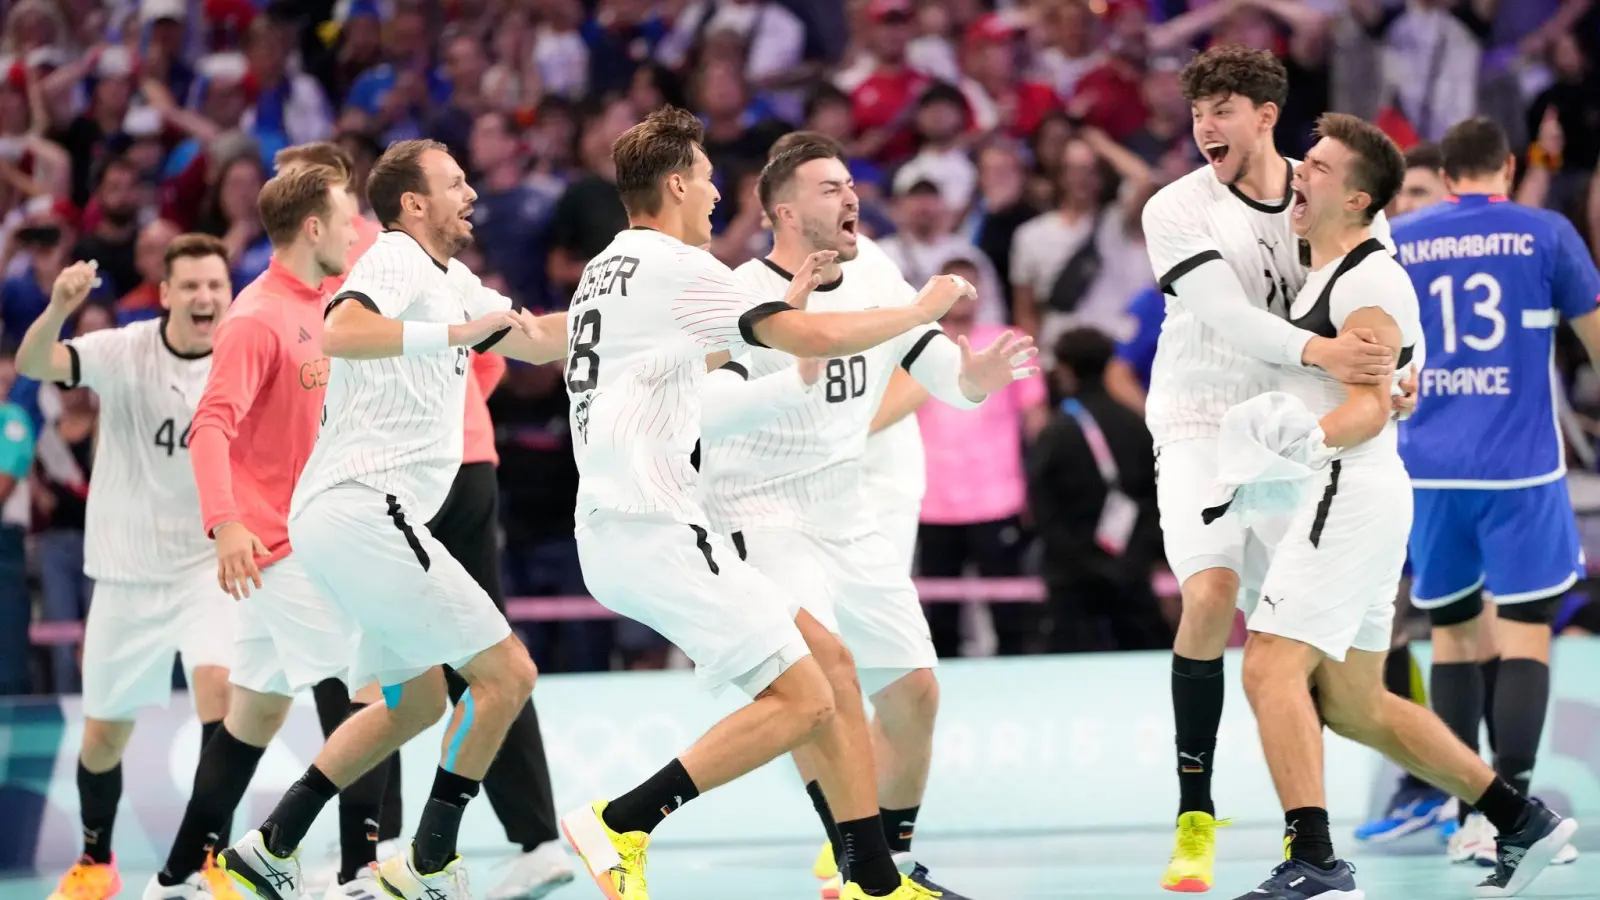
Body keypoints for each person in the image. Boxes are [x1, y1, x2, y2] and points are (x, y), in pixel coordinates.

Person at [555, 106, 972, 900]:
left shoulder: (606, 268)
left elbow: (713, 379)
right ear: (676, 183)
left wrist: (794, 377)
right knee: (806, 695)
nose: (718, 197)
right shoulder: (685, 270)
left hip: (620, 525)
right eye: (709, 179)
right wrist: (921, 312)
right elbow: (806, 339)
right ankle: (620, 822)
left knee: (829, 673)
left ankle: (873, 881)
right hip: (660, 525)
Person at [1220, 112, 1576, 900]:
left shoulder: (1370, 278)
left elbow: (1373, 407)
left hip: (1345, 493)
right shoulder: (1332, 269)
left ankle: (1312, 857)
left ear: (1358, 199)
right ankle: (1521, 820)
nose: (1298, 173)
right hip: (1364, 497)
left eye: (1315, 165)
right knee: (1358, 705)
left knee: (1270, 668)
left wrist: (1295, 443)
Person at [214, 139, 569, 900]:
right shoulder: (398, 258)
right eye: (456, 182)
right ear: (414, 203)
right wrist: (454, 336)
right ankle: (431, 864)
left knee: (418, 702)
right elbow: (342, 330)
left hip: (345, 516)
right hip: (364, 508)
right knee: (507, 674)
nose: (472, 191)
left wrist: (626, 315)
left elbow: (537, 340)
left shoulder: (455, 278)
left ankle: (270, 848)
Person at [698, 131, 1033, 900]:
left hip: (844, 501)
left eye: (850, 184)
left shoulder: (875, 265)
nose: (849, 197)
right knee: (822, 683)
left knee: (915, 690)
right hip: (758, 507)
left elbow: (924, 356)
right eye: (827, 187)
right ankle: (865, 872)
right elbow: (714, 406)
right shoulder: (739, 291)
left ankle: (890, 858)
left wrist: (972, 377)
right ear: (782, 209)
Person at [1138, 46, 1413, 892]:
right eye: (1197, 113)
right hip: (1197, 421)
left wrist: (1400, 374)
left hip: (1297, 428)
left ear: (1266, 116)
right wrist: (1331, 349)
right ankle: (1195, 813)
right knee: (1212, 598)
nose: (1204, 127)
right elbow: (1224, 314)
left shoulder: (1328, 187)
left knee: (1319, 645)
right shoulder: (1175, 208)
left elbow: (1384, 305)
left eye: (1222, 109)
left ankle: (1331, 831)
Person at [141, 163, 367, 900]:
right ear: (312, 228)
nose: (353, 229)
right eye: (344, 216)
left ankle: (177, 877)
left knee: (256, 713)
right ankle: (364, 871)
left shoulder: (333, 300)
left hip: (318, 534)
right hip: (279, 544)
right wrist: (226, 523)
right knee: (368, 698)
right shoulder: (255, 317)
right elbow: (210, 428)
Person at [1392, 116, 1599, 868]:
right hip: (1520, 472)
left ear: (1446, 178)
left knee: (1451, 638)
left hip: (1428, 471)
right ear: (1507, 170)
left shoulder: (1405, 238)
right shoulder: (1544, 233)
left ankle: (1468, 812)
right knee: (1524, 634)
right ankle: (1517, 810)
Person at [21, 238, 231, 900]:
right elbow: (33, 361)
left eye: (215, 286)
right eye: (190, 286)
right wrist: (57, 308)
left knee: (223, 704)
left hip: (207, 568)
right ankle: (95, 861)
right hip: (125, 573)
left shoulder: (242, 357)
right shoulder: (121, 349)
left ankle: (211, 862)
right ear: (164, 293)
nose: (204, 298)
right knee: (104, 734)